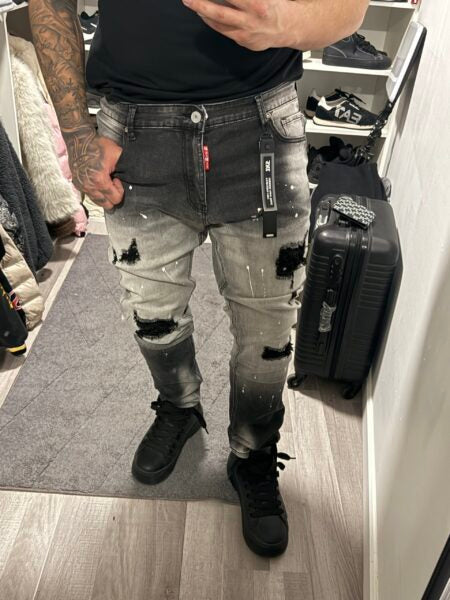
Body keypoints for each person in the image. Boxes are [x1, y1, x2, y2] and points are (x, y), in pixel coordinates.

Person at [29, 0, 368, 557]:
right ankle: (180, 407)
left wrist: (285, 23)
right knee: (152, 312)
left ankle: (254, 452)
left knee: (267, 331)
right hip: (134, 132)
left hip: (259, 125)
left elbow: (351, 8)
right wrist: (75, 130)